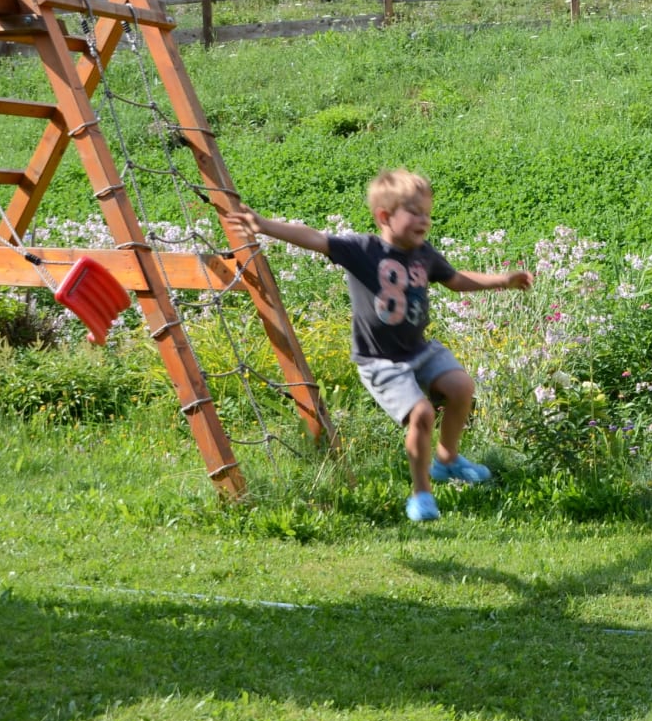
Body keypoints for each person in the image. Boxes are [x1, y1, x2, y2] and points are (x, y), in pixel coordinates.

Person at [221, 169, 531, 523]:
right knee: (422, 415)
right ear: (385, 216)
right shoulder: (363, 250)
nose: (424, 220)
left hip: (419, 350)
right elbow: (316, 237)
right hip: (381, 361)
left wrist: (502, 281)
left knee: (462, 386)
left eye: (427, 213)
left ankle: (447, 460)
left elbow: (457, 280)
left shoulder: (423, 254)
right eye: (414, 212)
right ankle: (421, 493)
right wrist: (263, 224)